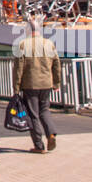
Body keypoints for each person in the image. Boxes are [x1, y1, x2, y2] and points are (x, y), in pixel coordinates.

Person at [12, 14, 60, 153]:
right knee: (44, 110)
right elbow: (56, 64)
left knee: (33, 115)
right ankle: (51, 133)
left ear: (27, 31)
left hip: (30, 84)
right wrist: (56, 83)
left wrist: (16, 88)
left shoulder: (23, 45)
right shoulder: (49, 43)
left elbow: (18, 69)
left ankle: (39, 146)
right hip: (46, 83)